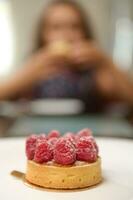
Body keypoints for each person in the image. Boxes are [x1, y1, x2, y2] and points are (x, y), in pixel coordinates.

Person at [0, 0, 133, 112]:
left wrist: (105, 62)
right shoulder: (33, 67)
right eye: (56, 27)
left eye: (74, 27)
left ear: (85, 33)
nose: (66, 35)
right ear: (42, 34)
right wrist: (28, 73)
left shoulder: (94, 70)